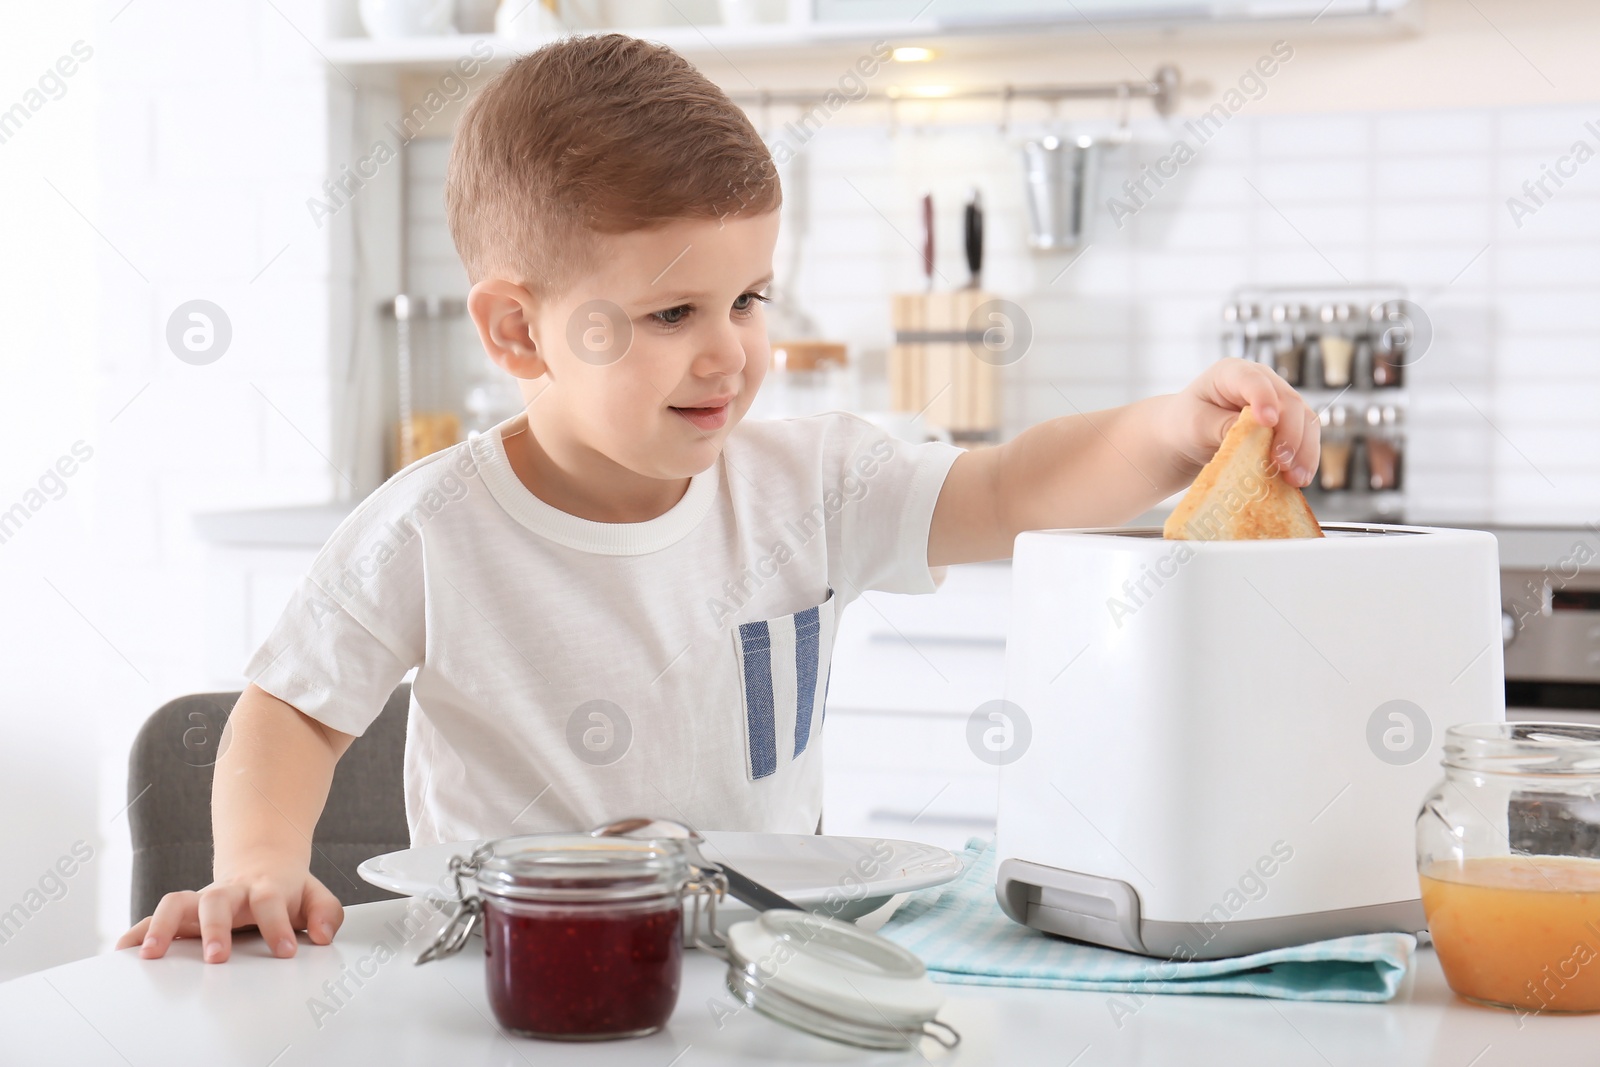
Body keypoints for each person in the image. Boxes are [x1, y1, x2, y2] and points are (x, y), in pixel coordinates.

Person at [118, 34, 1318, 964]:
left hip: (763, 958)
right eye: (671, 313)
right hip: (507, 973)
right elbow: (291, 709)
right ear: (518, 329)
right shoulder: (432, 525)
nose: (732, 353)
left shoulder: (813, 481)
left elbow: (1007, 486)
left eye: (748, 299)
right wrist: (262, 860)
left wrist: (1170, 428)